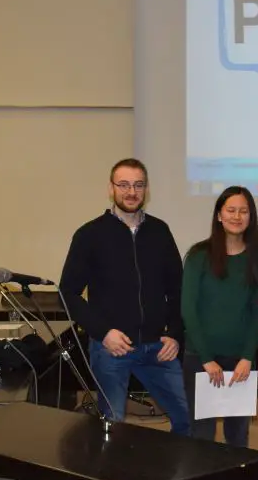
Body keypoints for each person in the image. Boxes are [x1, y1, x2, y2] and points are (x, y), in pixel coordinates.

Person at [59, 158, 190, 434]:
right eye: (124, 185)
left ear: (146, 189)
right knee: (113, 427)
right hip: (111, 348)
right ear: (111, 188)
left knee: (188, 418)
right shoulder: (89, 234)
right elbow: (67, 294)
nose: (132, 192)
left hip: (158, 347)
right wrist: (103, 333)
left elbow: (179, 289)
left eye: (138, 185)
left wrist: (176, 334)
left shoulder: (160, 231)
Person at [182, 186, 258, 447]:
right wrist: (206, 359)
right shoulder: (198, 255)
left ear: (251, 217)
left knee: (238, 436)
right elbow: (188, 309)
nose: (237, 216)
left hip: (241, 360)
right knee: (202, 436)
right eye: (231, 210)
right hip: (201, 358)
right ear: (219, 215)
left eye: (243, 211)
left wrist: (247, 357)